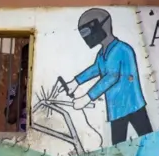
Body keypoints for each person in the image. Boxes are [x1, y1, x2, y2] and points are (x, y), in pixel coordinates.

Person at [60, 8, 152, 145]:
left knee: (149, 140)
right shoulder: (103, 52)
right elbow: (96, 68)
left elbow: (111, 77)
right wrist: (75, 82)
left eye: (86, 31)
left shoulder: (120, 49)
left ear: (101, 26)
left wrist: (86, 98)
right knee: (118, 147)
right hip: (116, 107)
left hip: (132, 105)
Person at [5, 44, 29, 132]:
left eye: (30, 63)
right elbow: (11, 118)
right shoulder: (14, 89)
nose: (27, 68)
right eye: (24, 64)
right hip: (23, 143)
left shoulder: (47, 87)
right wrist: (22, 88)